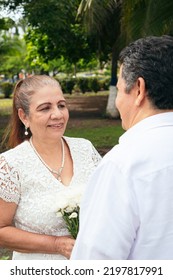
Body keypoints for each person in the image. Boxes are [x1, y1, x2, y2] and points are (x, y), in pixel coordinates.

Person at [71, 35, 173, 260]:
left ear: (138, 90)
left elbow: (94, 266)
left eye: (118, 90)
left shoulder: (124, 163)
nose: (117, 102)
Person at [0, 75, 101, 260]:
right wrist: (56, 244)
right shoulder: (10, 165)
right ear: (24, 116)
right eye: (45, 108)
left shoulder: (85, 149)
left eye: (61, 105)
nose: (58, 114)